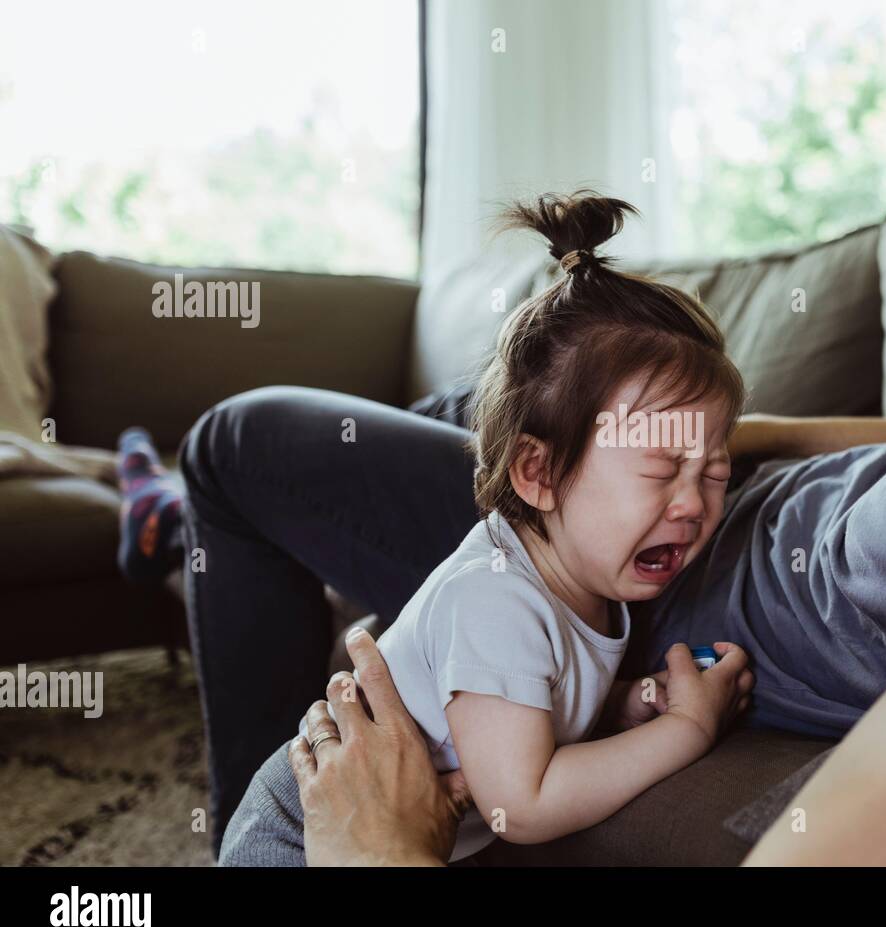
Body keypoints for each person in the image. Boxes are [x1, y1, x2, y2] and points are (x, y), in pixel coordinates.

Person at [173, 0, 886, 864]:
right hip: (678, 493)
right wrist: (754, 438)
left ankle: (248, 822)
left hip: (610, 563)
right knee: (477, 406)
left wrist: (373, 843)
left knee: (238, 441)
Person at [216, 192, 757, 864]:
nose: (692, 504)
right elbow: (520, 807)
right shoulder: (495, 600)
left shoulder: (578, 578)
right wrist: (686, 729)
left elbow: (534, 703)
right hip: (299, 838)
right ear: (540, 473)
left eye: (714, 473)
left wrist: (623, 706)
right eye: (660, 470)